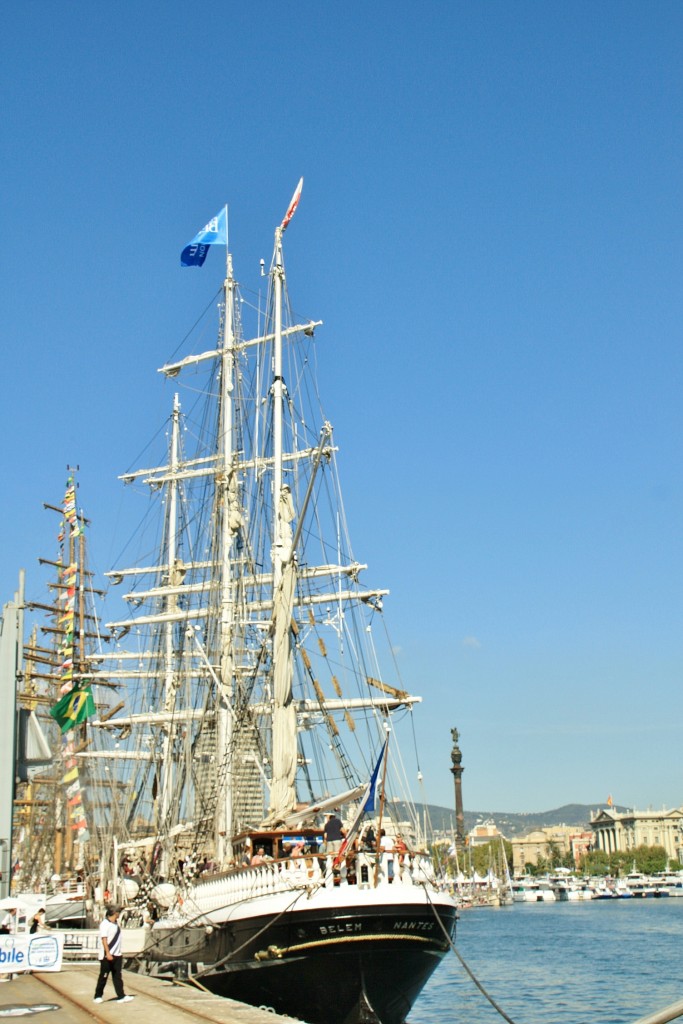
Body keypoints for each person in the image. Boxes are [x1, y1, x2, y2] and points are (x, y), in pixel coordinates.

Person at [93, 907, 134, 1004]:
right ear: (114, 913)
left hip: (117, 954)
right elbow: (104, 939)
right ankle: (97, 996)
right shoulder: (104, 924)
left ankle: (121, 996)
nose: (120, 914)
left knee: (117, 976)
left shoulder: (116, 923)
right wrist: (107, 953)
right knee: (104, 976)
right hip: (107, 955)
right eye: (119, 912)